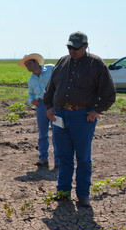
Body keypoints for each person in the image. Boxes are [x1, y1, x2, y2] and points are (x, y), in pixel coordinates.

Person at [43, 31, 116, 208]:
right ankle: (63, 192)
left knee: (83, 158)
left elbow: (109, 94)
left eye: (76, 47)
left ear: (85, 46)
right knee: (63, 157)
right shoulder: (62, 62)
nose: (72, 50)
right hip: (60, 116)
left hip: (82, 118)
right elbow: (50, 88)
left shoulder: (96, 64)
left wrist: (96, 111)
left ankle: (83, 195)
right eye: (69, 47)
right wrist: (49, 107)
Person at [18, 53, 57, 168]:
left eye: (29, 63)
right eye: (25, 65)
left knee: (57, 132)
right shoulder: (31, 80)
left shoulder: (51, 68)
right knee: (42, 133)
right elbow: (30, 94)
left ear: (36, 62)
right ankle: (43, 158)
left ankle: (59, 159)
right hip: (41, 105)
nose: (27, 66)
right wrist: (32, 101)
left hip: (55, 104)